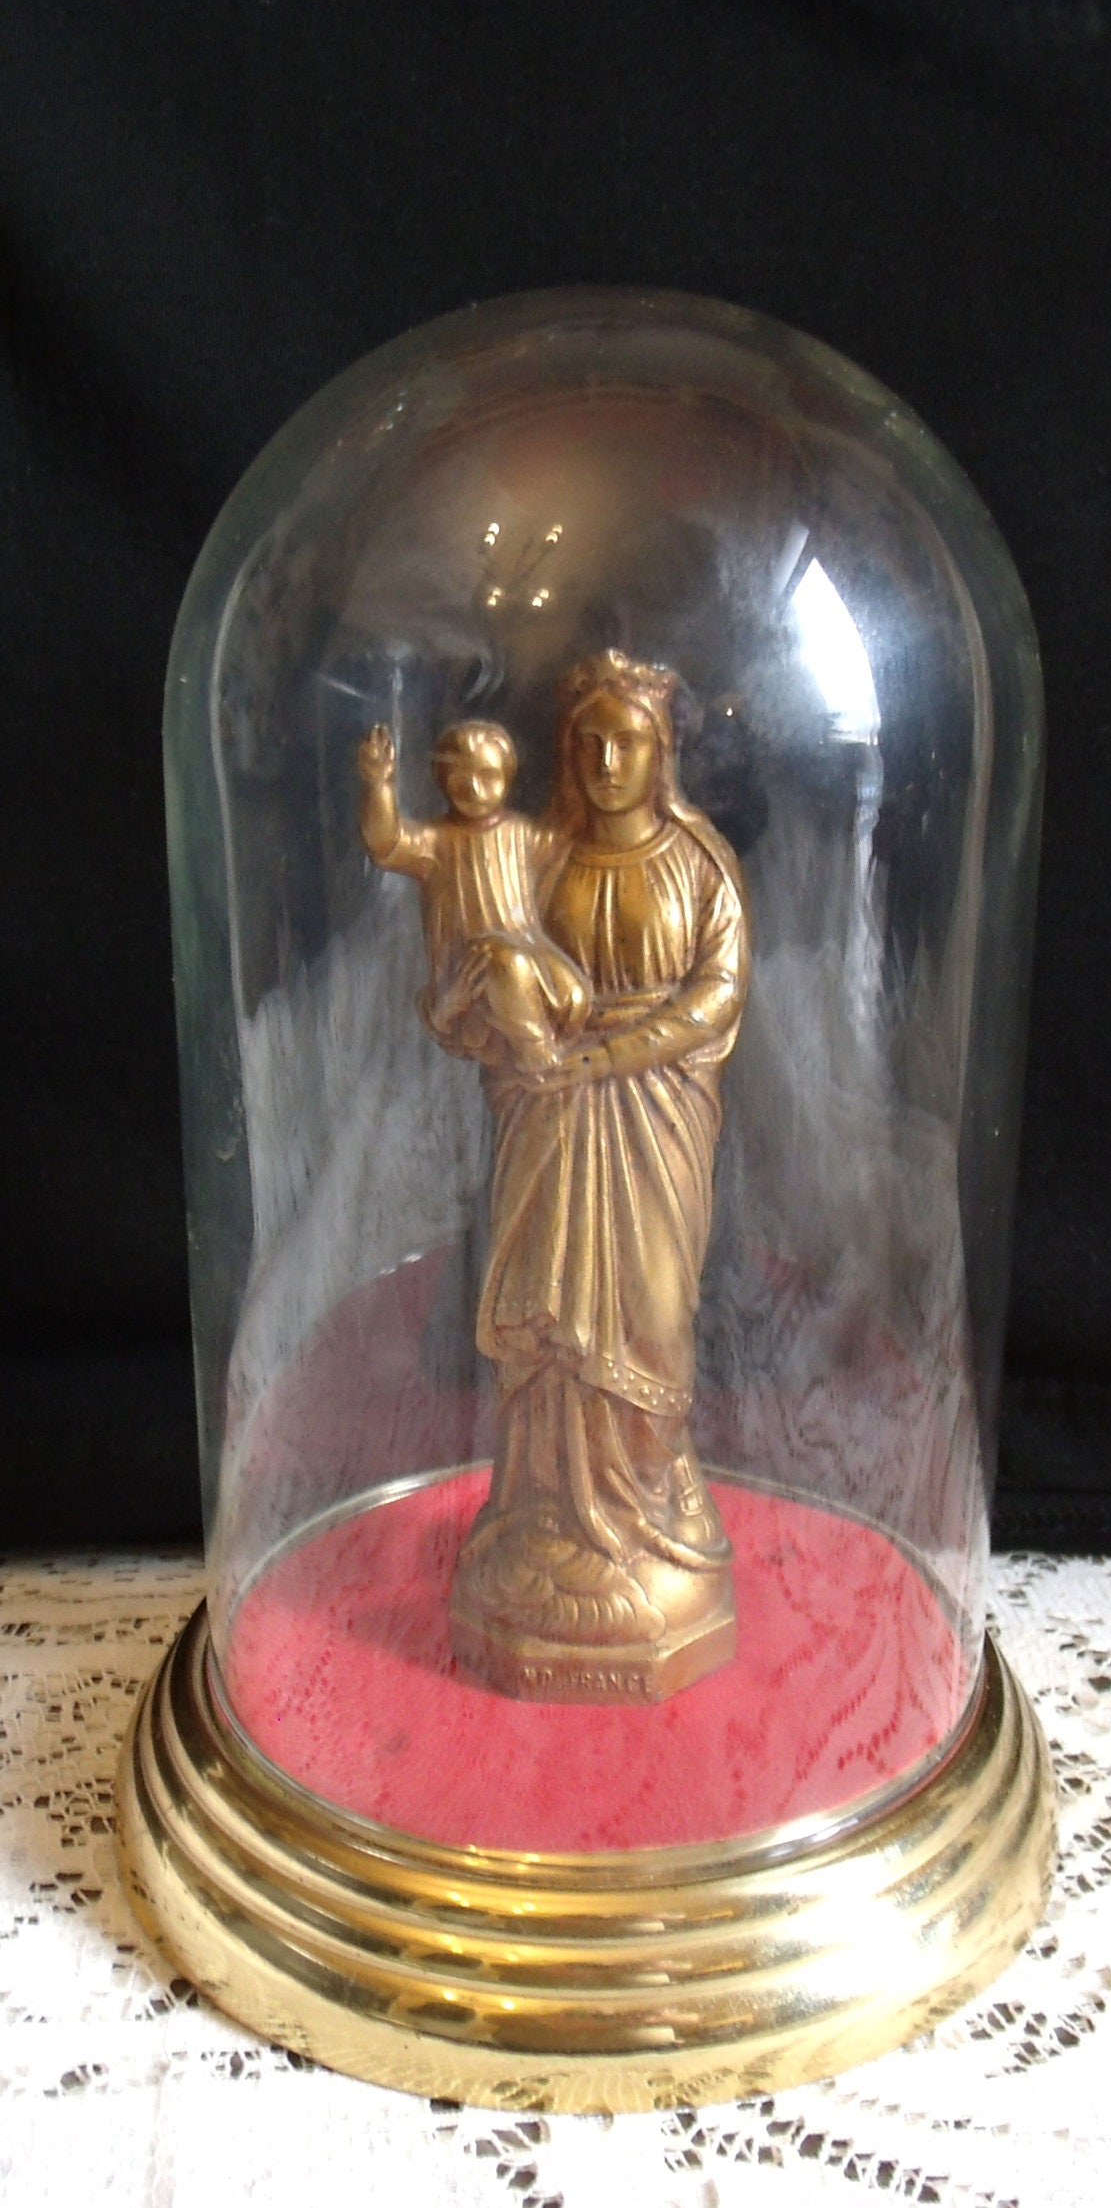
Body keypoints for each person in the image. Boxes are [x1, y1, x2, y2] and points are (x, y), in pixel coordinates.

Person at [443, 651, 750, 1699]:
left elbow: (716, 997)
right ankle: (548, 1518)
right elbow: (484, 951)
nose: (609, 758)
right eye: (591, 742)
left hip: (657, 1117)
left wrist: (610, 1054)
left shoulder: (700, 865)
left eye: (629, 740)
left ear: (662, 752)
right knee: (551, 1321)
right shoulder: (540, 857)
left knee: (650, 1312)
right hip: (550, 1122)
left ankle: (649, 1512)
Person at [356, 719, 588, 1072]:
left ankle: (538, 1033)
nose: (476, 789)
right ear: (442, 780)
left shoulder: (520, 833)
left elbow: (565, 834)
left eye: (488, 776)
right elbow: (384, 843)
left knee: (575, 996)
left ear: (508, 778)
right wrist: (378, 785)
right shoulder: (435, 841)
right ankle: (535, 1048)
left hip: (528, 950)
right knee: (507, 967)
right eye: (462, 777)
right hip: (471, 971)